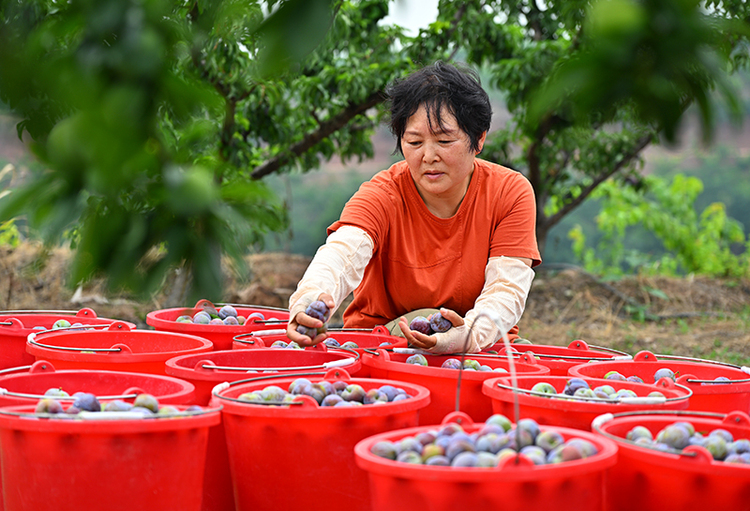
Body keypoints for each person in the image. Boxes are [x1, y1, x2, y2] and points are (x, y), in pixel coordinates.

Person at [286, 61, 542, 354]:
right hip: (385, 343)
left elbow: (506, 290)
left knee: (527, 363)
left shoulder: (509, 193)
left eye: (444, 140)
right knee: (422, 322)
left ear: (479, 138)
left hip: (478, 342)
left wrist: (466, 336)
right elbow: (342, 253)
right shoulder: (383, 194)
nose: (428, 156)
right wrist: (309, 298)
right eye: (415, 141)